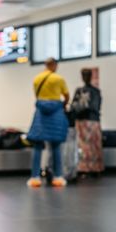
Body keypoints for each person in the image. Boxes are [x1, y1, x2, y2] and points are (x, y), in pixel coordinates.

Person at [26, 57, 70, 188]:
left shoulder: (37, 79)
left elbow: (37, 97)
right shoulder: (58, 79)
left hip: (41, 114)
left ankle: (35, 178)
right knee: (56, 146)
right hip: (56, 114)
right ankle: (58, 177)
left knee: (38, 146)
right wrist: (62, 105)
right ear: (54, 65)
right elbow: (67, 96)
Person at [71, 68, 104, 174]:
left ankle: (95, 168)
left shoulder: (96, 91)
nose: (85, 77)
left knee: (93, 146)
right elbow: (74, 106)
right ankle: (83, 168)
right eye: (84, 75)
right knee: (83, 147)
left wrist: (82, 107)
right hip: (82, 121)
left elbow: (95, 106)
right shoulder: (79, 91)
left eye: (87, 75)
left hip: (92, 121)